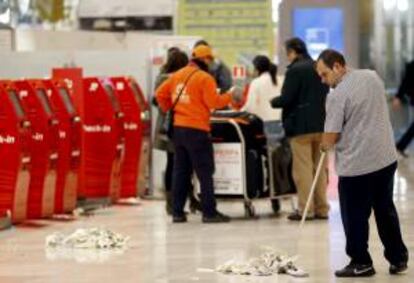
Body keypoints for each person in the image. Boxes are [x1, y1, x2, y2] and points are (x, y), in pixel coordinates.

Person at [317, 49, 408, 277]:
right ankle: (398, 258)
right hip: (385, 158)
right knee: (385, 209)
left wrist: (323, 145)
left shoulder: (336, 96)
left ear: (338, 66)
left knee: (354, 216)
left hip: (357, 166)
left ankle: (360, 262)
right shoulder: (372, 76)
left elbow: (331, 135)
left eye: (324, 74)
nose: (323, 80)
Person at [156, 44, 236, 223]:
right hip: (197, 130)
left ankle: (177, 212)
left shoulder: (176, 75)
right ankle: (209, 212)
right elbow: (214, 102)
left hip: (179, 130)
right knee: (204, 171)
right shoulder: (204, 78)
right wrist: (229, 96)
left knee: (181, 172)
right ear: (206, 59)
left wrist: (169, 107)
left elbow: (160, 94)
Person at [270, 37, 330, 221]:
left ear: (292, 52)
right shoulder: (317, 66)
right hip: (321, 125)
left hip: (301, 128)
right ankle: (322, 208)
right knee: (320, 169)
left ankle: (306, 209)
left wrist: (273, 101)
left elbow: (287, 98)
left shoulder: (295, 70)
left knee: (302, 170)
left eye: (286, 52)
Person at [153, 48, 202, 215]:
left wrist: (166, 109)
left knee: (173, 164)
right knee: (183, 165)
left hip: (164, 128)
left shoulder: (161, 77)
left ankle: (172, 202)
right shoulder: (180, 78)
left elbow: (155, 100)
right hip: (179, 125)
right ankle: (185, 201)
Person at [241, 55, 281, 134]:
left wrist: (238, 112)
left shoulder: (256, 82)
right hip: (281, 123)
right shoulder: (280, 80)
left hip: (264, 125)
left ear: (256, 69)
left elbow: (250, 107)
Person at [392, 59, 414, 157]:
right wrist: (398, 96)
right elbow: (405, 81)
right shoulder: (412, 65)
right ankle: (400, 146)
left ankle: (400, 146)